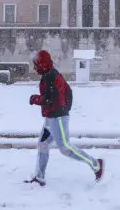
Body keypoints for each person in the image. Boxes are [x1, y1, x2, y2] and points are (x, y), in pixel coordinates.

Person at [24, 50, 104, 186]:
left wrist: (35, 99)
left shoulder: (51, 76)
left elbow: (51, 99)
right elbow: (67, 91)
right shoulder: (48, 74)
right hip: (51, 118)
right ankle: (39, 177)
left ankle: (96, 164)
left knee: (65, 147)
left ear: (42, 64)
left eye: (36, 64)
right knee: (43, 144)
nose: (34, 67)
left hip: (58, 118)